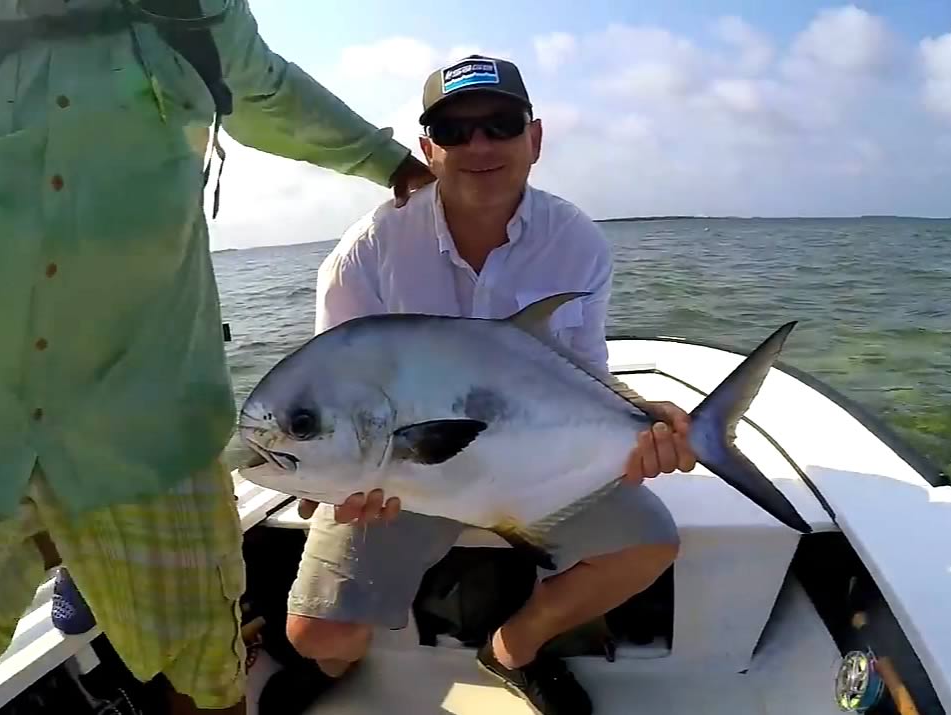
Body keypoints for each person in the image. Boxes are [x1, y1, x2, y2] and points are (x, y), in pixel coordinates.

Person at [0, 1, 432, 714]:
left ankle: (105, 559)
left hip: (146, 420)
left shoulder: (197, 12)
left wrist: (388, 161)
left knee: (204, 664)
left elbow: (268, 89)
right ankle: (78, 548)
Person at [258, 55, 695, 715]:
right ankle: (343, 661)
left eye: (500, 123)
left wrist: (640, 419)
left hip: (532, 463)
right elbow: (332, 397)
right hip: (401, 478)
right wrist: (334, 487)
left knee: (648, 543)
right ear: (427, 148)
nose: (480, 145)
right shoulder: (368, 250)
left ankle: (513, 647)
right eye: (455, 131)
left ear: (534, 138)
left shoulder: (574, 241)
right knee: (316, 635)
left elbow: (580, 374)